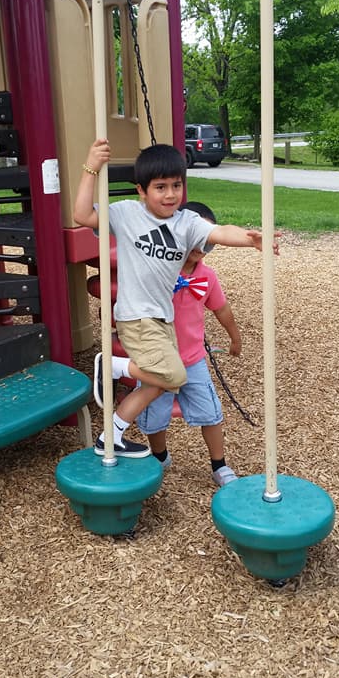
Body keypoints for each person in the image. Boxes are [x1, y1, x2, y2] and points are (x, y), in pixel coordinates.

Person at [73, 139, 277, 459]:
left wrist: (249, 239)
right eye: (160, 187)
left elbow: (220, 231)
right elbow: (81, 214)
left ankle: (110, 436)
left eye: (176, 185)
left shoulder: (186, 223)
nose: (170, 194)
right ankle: (114, 366)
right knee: (175, 376)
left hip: (162, 319)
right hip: (136, 317)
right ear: (141, 191)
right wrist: (91, 168)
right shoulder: (126, 214)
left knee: (159, 383)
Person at [137, 201, 241, 486]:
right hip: (157, 360)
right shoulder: (157, 269)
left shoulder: (207, 277)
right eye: (195, 236)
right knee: (154, 414)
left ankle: (219, 465)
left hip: (193, 360)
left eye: (208, 240)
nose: (201, 245)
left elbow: (221, 309)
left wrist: (235, 337)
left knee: (210, 412)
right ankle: (159, 456)